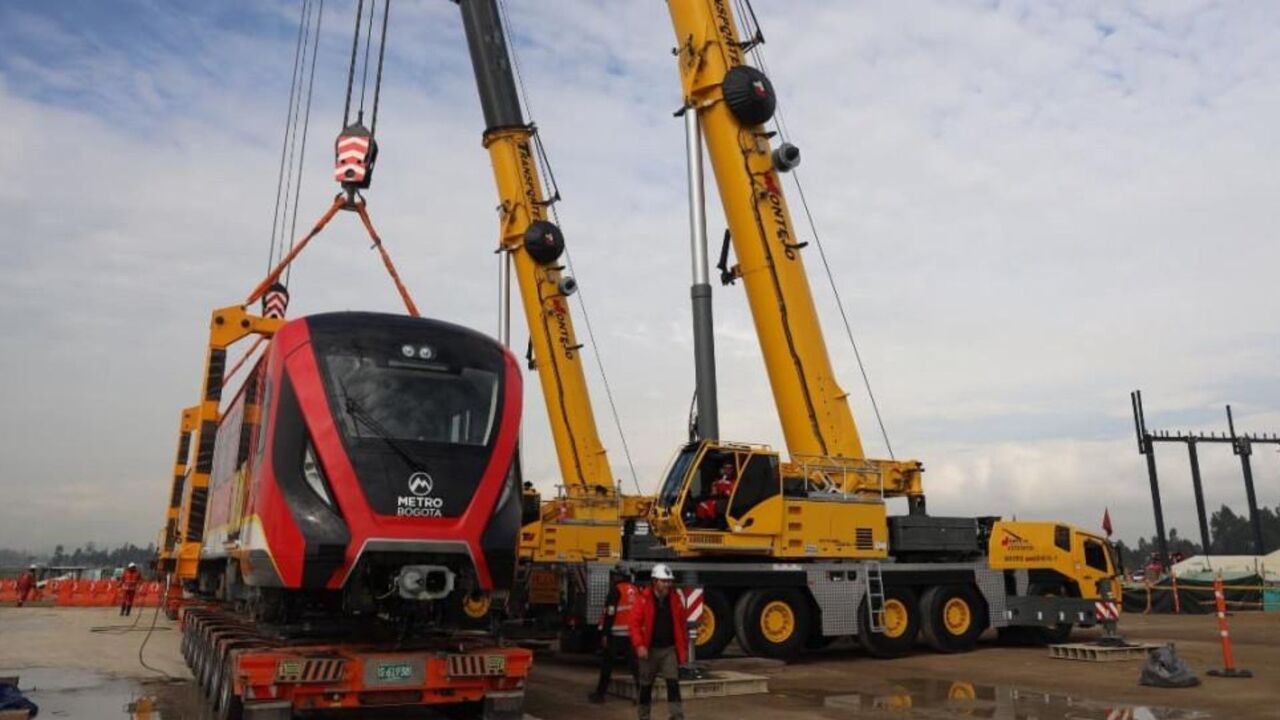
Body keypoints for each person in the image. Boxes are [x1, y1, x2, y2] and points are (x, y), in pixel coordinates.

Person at [629, 564, 688, 720]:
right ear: (655, 581)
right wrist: (639, 645)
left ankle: (676, 716)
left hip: (669, 649)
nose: (668, 584)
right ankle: (644, 716)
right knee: (646, 686)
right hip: (649, 651)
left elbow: (681, 625)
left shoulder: (675, 599)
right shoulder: (643, 600)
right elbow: (634, 625)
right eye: (664, 581)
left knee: (673, 684)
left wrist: (682, 649)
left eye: (669, 581)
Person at [589, 569, 638, 704]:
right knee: (635, 666)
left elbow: (610, 613)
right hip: (632, 633)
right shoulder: (635, 590)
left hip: (616, 633)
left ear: (618, 576)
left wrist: (604, 633)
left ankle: (600, 695)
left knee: (607, 664)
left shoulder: (616, 590)